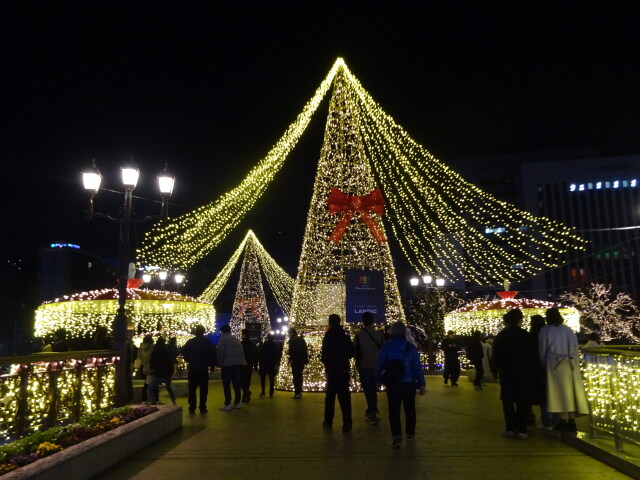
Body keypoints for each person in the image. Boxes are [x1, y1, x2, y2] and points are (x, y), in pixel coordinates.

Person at [376, 321, 426, 448]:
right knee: (410, 409)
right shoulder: (410, 348)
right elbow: (417, 367)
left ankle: (397, 436)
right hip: (409, 383)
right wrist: (421, 383)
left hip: (393, 383)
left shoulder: (386, 347)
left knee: (394, 410)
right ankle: (410, 433)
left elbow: (379, 365)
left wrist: (377, 380)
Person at [539, 307, 589, 433]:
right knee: (571, 392)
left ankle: (562, 419)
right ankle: (572, 420)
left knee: (558, 392)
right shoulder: (568, 330)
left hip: (554, 364)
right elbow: (575, 347)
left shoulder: (545, 330)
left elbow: (542, 350)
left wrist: (544, 365)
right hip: (570, 363)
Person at [493, 308, 537, 439]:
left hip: (506, 372)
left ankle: (510, 428)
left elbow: (495, 355)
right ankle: (522, 429)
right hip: (523, 372)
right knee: (522, 400)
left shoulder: (501, 335)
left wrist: (496, 369)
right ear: (520, 320)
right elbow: (532, 354)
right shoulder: (525, 335)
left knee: (508, 401)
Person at [321, 314, 355, 432]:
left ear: (330, 322)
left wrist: (327, 362)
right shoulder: (344, 335)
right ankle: (347, 422)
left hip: (332, 370)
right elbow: (351, 352)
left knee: (330, 397)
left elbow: (325, 353)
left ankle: (328, 421)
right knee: (345, 398)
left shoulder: (329, 335)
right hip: (343, 369)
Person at [354, 311, 384, 424]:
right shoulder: (379, 334)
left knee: (368, 390)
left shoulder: (359, 335)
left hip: (364, 366)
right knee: (373, 390)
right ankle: (372, 409)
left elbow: (356, 351)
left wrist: (357, 364)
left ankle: (372, 411)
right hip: (376, 366)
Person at [182, 325, 215, 413]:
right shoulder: (207, 342)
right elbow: (211, 355)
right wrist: (211, 366)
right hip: (203, 369)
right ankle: (202, 407)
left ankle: (192, 407)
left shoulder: (190, 342)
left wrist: (188, 359)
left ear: (196, 332)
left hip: (193, 369)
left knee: (192, 389)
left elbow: (184, 351)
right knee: (203, 390)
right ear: (203, 332)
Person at [217, 324, 246, 411]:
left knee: (226, 384)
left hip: (227, 365)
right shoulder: (236, 339)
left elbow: (220, 353)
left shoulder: (223, 339)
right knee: (236, 383)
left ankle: (228, 403)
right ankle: (237, 403)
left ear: (222, 331)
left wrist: (219, 363)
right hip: (237, 365)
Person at [529, 314, 552, 429]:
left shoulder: (530, 336)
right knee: (549, 395)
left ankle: (543, 420)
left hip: (535, 369)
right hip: (550, 367)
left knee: (540, 395)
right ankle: (551, 420)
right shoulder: (547, 333)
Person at [147, 337, 177, 405]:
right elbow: (171, 363)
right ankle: (174, 401)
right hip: (167, 374)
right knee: (168, 387)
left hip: (158, 375)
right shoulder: (167, 351)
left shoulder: (155, 352)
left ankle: (153, 402)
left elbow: (152, 364)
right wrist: (171, 372)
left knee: (150, 389)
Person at [287, 328, 309, 398]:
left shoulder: (292, 340)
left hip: (295, 361)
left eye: (289, 333)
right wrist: (306, 360)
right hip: (301, 361)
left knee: (296, 377)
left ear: (292, 333)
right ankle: (299, 392)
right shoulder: (301, 339)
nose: (288, 334)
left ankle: (297, 393)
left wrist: (290, 359)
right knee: (300, 376)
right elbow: (305, 349)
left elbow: (291, 351)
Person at [240, 329, 259, 403]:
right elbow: (255, 356)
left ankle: (246, 393)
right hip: (249, 365)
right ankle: (246, 394)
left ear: (244, 335)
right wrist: (255, 365)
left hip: (242, 365)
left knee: (240, 381)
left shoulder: (240, 344)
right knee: (247, 381)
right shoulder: (253, 345)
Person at [136, 334, 154, 403]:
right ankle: (149, 399)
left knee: (147, 383)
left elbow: (139, 357)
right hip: (151, 368)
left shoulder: (141, 348)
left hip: (144, 368)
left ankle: (144, 399)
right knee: (151, 384)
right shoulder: (152, 347)